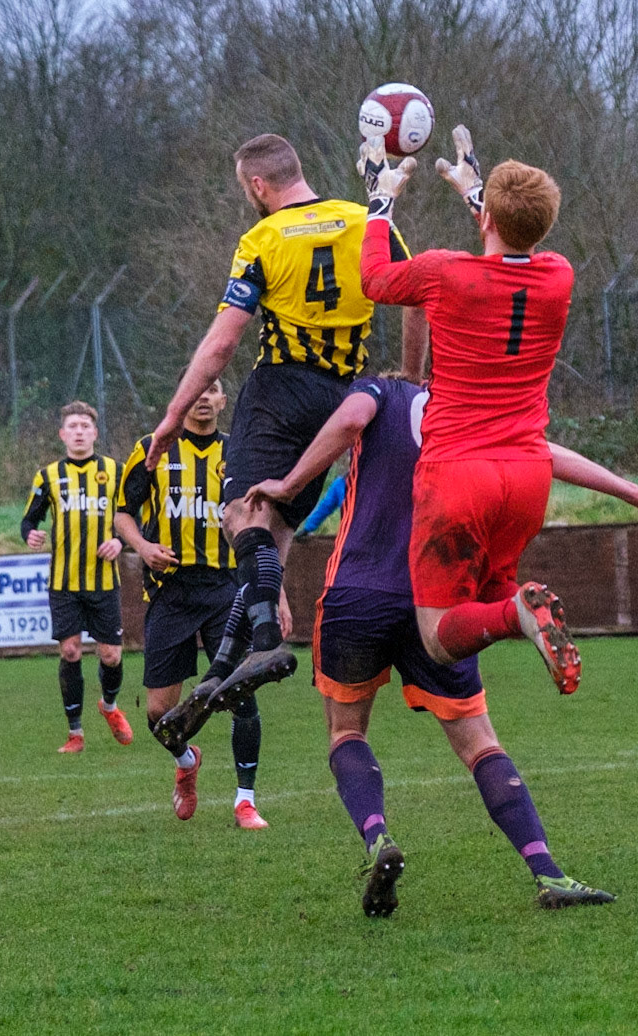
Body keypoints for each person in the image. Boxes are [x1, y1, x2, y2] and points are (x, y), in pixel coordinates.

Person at [240, 373, 638, 914]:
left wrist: (289, 485)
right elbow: (544, 452)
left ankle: (378, 839)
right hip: (439, 599)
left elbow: (350, 419)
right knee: (480, 744)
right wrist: (633, 492)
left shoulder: (379, 391)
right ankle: (548, 873)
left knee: (346, 730)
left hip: (358, 593)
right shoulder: (474, 415)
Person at [147, 133, 426, 747]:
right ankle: (227, 664)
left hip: (279, 390)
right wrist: (409, 377)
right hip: (342, 394)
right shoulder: (364, 219)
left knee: (241, 513)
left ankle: (266, 638)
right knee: (274, 533)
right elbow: (414, 296)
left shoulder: (263, 239)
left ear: (256, 185)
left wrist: (171, 416)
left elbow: (222, 343)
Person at [356, 128, 581, 695]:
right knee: (486, 599)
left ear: (487, 219)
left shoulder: (443, 272)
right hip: (528, 476)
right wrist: (477, 194)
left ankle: (520, 617)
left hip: (459, 473)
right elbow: (511, 242)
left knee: (436, 635)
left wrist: (380, 200)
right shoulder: (559, 276)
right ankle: (519, 611)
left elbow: (375, 279)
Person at [114, 379, 268, 829]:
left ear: (222, 400)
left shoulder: (238, 452)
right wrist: (142, 547)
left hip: (226, 589)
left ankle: (245, 801)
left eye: (212, 389)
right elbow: (123, 510)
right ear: (180, 397)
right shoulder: (152, 447)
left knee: (241, 691)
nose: (203, 396)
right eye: (195, 388)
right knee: (160, 714)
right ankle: (186, 761)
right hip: (171, 592)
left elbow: (262, 513)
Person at [21, 401, 131, 753]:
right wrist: (30, 535)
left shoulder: (116, 471)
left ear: (95, 433)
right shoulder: (48, 476)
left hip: (103, 582)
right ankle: (75, 733)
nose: (80, 431)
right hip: (64, 584)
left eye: (86, 425)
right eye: (73, 426)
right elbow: (29, 520)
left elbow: (134, 517)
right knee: (70, 651)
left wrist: (119, 540)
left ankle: (110, 707)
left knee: (111, 655)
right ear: (62, 434)